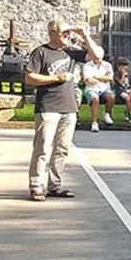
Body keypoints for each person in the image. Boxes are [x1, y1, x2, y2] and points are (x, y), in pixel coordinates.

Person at [25, 20, 102, 201]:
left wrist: (85, 35)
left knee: (62, 148)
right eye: (63, 33)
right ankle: (36, 185)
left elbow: (97, 56)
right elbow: (30, 78)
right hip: (48, 106)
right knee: (42, 148)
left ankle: (55, 185)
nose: (67, 36)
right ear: (52, 33)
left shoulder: (71, 52)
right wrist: (56, 78)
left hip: (68, 107)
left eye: (68, 33)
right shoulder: (41, 52)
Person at [81, 54, 116, 132]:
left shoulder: (107, 65)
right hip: (91, 89)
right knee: (95, 99)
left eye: (99, 56)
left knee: (111, 96)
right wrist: (102, 78)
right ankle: (94, 123)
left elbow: (110, 78)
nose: (97, 58)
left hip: (105, 88)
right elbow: (88, 80)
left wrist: (96, 77)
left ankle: (107, 114)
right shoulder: (87, 66)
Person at [113, 58, 131, 123]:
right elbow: (121, 83)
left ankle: (128, 110)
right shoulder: (116, 74)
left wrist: (130, 90)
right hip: (121, 91)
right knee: (127, 98)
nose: (123, 67)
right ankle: (130, 113)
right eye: (121, 66)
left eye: (125, 65)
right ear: (118, 66)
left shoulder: (130, 74)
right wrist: (123, 75)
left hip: (129, 90)